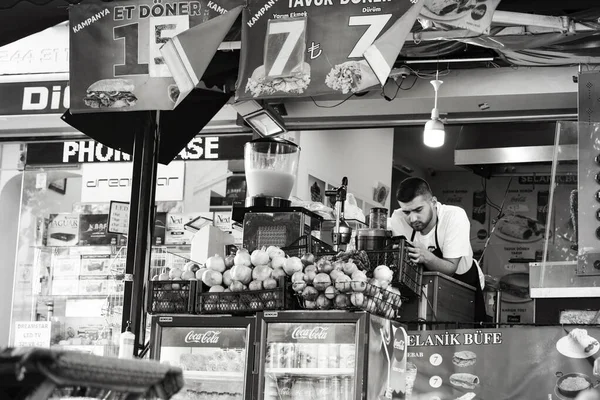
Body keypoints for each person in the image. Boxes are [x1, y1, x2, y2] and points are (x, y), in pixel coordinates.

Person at [389, 177, 488, 322]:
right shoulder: (398, 218)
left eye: (418, 210)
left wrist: (426, 256)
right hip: (423, 289)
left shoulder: (454, 217)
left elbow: (450, 268)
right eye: (407, 212)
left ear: (433, 202)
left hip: (464, 286)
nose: (412, 218)